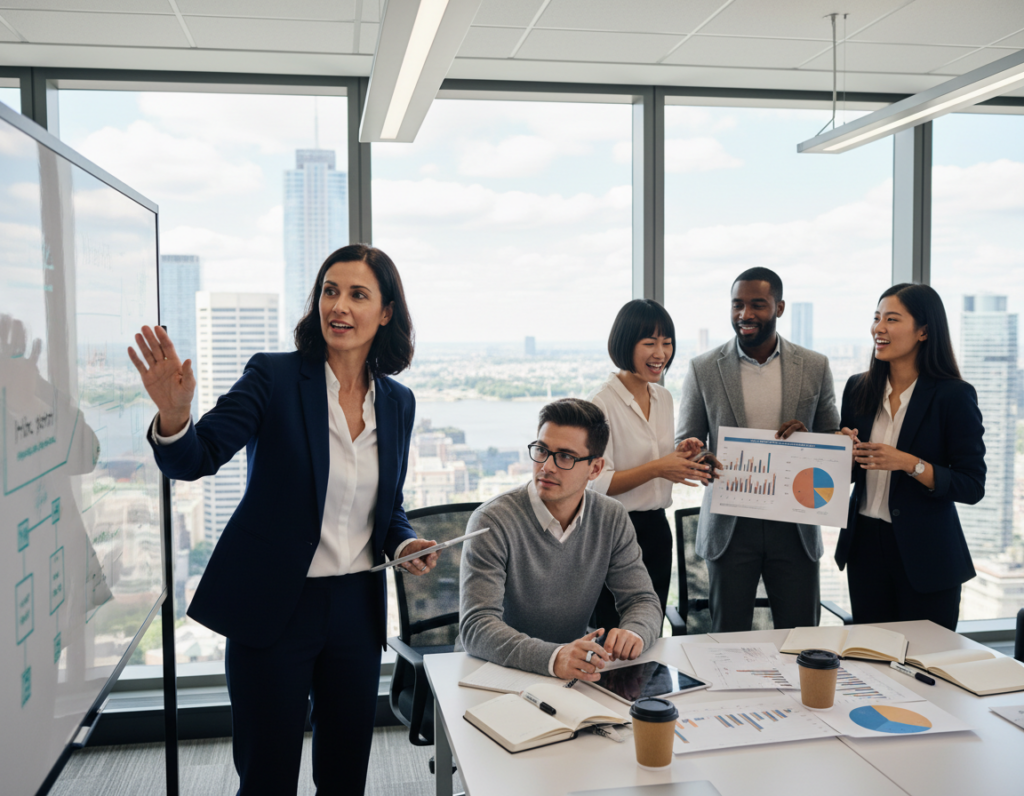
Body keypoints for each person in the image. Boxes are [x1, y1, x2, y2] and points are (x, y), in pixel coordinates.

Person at [128, 244, 440, 796]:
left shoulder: (398, 402)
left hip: (355, 612)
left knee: (345, 775)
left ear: (386, 313)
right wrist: (175, 418)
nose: (338, 306)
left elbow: (387, 504)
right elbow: (196, 458)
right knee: (267, 774)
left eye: (357, 294)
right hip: (275, 606)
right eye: (329, 291)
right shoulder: (273, 378)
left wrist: (406, 542)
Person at [675, 267, 840, 633]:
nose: (745, 314)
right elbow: (685, 441)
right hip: (731, 525)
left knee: (800, 638)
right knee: (726, 640)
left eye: (757, 305)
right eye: (737, 305)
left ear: (779, 308)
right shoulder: (703, 368)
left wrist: (809, 436)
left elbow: (834, 440)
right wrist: (699, 456)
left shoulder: (814, 366)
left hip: (794, 522)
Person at [459, 398, 663, 682]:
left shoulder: (610, 517)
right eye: (541, 450)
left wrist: (635, 631)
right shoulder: (492, 521)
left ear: (595, 468)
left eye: (565, 456)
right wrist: (554, 657)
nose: (547, 466)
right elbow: (477, 627)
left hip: (572, 671)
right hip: (494, 671)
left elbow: (642, 599)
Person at [836, 283, 984, 631]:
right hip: (865, 548)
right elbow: (850, 475)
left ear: (923, 331)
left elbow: (971, 484)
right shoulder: (858, 387)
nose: (879, 328)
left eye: (891, 319)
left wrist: (909, 463)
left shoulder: (954, 396)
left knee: (925, 666)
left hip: (928, 555)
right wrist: (841, 450)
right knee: (871, 660)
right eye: (876, 319)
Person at [587, 299, 711, 630]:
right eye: (649, 343)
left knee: (649, 628)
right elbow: (598, 483)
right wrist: (659, 467)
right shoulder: (601, 405)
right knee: (614, 631)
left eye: (666, 343)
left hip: (657, 529)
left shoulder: (663, 397)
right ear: (626, 344)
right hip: (614, 531)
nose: (660, 353)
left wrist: (680, 452)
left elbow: (653, 456)